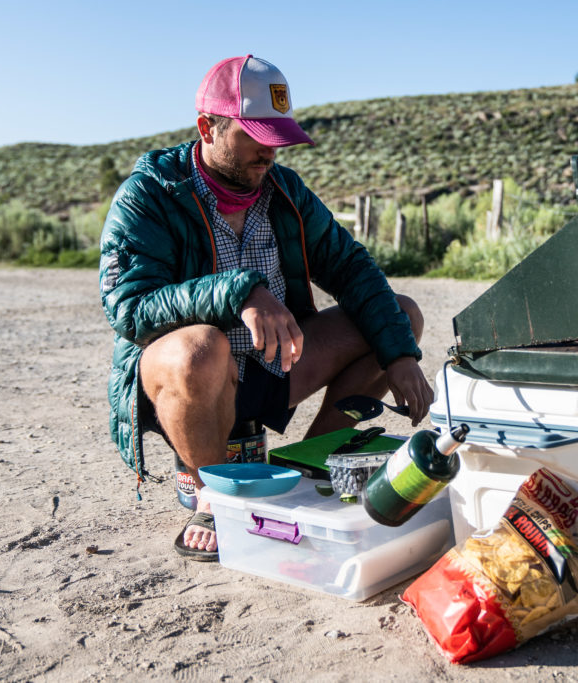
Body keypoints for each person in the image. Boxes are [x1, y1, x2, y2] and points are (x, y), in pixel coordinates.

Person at [99, 55, 434, 561]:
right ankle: (214, 501)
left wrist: (401, 356)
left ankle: (305, 470)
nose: (270, 151)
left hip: (273, 370)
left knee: (399, 318)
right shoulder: (149, 195)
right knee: (198, 347)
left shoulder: (284, 190)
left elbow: (353, 269)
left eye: (277, 136)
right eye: (255, 134)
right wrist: (239, 291)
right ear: (206, 127)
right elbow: (129, 307)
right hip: (198, 383)